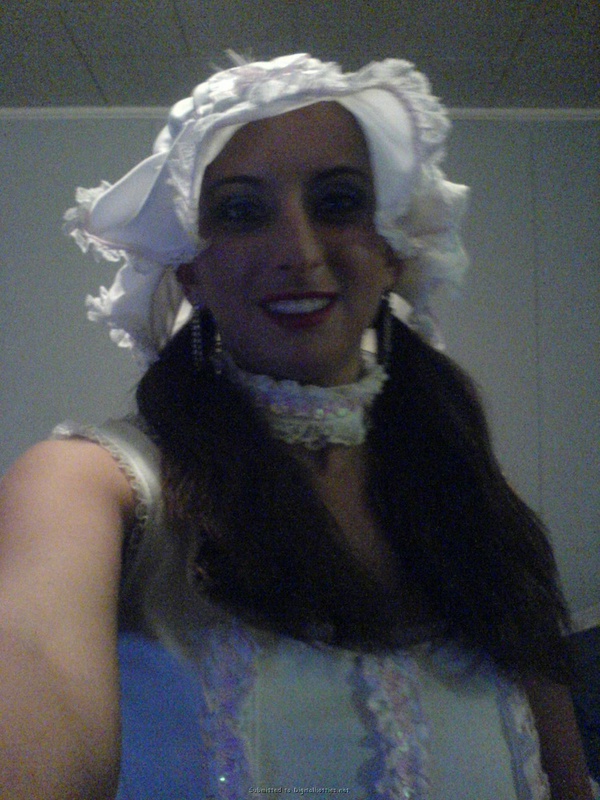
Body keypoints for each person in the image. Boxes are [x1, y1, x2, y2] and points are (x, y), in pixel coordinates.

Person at [0, 53, 594, 800]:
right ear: (191, 272)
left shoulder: (464, 478)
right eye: (242, 211)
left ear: (390, 250)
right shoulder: (88, 487)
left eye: (338, 202)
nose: (299, 251)